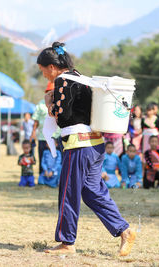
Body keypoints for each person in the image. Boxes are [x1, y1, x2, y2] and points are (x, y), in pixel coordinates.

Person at [37, 42, 135, 256]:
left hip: (78, 146)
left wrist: (48, 104)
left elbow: (62, 117)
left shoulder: (62, 80)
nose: (44, 74)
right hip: (96, 144)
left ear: (52, 66)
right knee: (93, 193)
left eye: (43, 70)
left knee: (68, 193)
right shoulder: (83, 79)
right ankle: (124, 231)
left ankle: (66, 242)